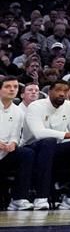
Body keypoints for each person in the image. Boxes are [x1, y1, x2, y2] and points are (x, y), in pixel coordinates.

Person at [23, 79, 70, 210]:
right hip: (32, 149)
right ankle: (41, 197)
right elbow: (39, 133)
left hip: (55, 149)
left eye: (65, 91)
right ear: (50, 91)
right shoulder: (36, 106)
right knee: (49, 142)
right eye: (58, 90)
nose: (62, 94)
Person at [0, 76, 34, 210]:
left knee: (27, 153)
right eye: (8, 87)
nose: (12, 89)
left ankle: (19, 198)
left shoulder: (18, 111)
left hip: (5, 154)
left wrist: (13, 143)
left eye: (15, 87)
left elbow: (15, 135)